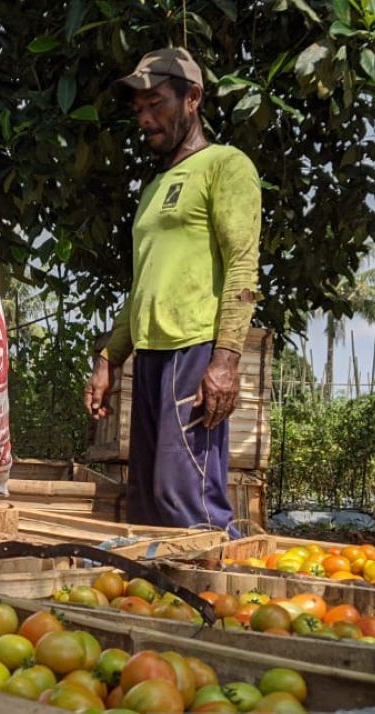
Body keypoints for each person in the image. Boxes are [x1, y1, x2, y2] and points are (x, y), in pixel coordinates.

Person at [83, 47, 261, 534]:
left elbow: (243, 266)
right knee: (149, 503)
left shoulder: (226, 166)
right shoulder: (154, 189)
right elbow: (145, 284)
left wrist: (225, 361)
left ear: (193, 99)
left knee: (190, 502)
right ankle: (161, 606)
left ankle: (220, 601)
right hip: (152, 355)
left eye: (156, 103)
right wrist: (109, 358)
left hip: (194, 351)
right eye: (138, 109)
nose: (144, 118)